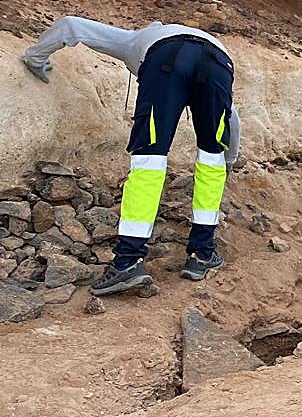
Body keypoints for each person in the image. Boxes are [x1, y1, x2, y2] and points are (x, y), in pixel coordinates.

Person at [22, 17, 240, 294]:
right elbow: (232, 120)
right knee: (211, 158)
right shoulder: (202, 42)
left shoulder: (138, 38)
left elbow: (70, 26)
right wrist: (228, 161)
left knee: (149, 160)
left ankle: (127, 262)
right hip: (220, 63)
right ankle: (202, 255)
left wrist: (35, 58)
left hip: (166, 59)